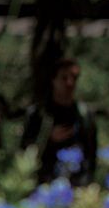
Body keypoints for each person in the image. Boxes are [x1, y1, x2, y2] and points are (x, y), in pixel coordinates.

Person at [21, 57, 98, 187]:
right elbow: (24, 149)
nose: (70, 83)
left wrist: (87, 184)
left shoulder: (84, 114)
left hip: (76, 185)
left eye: (74, 77)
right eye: (64, 78)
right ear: (53, 80)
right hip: (43, 183)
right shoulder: (37, 113)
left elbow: (91, 155)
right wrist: (49, 138)